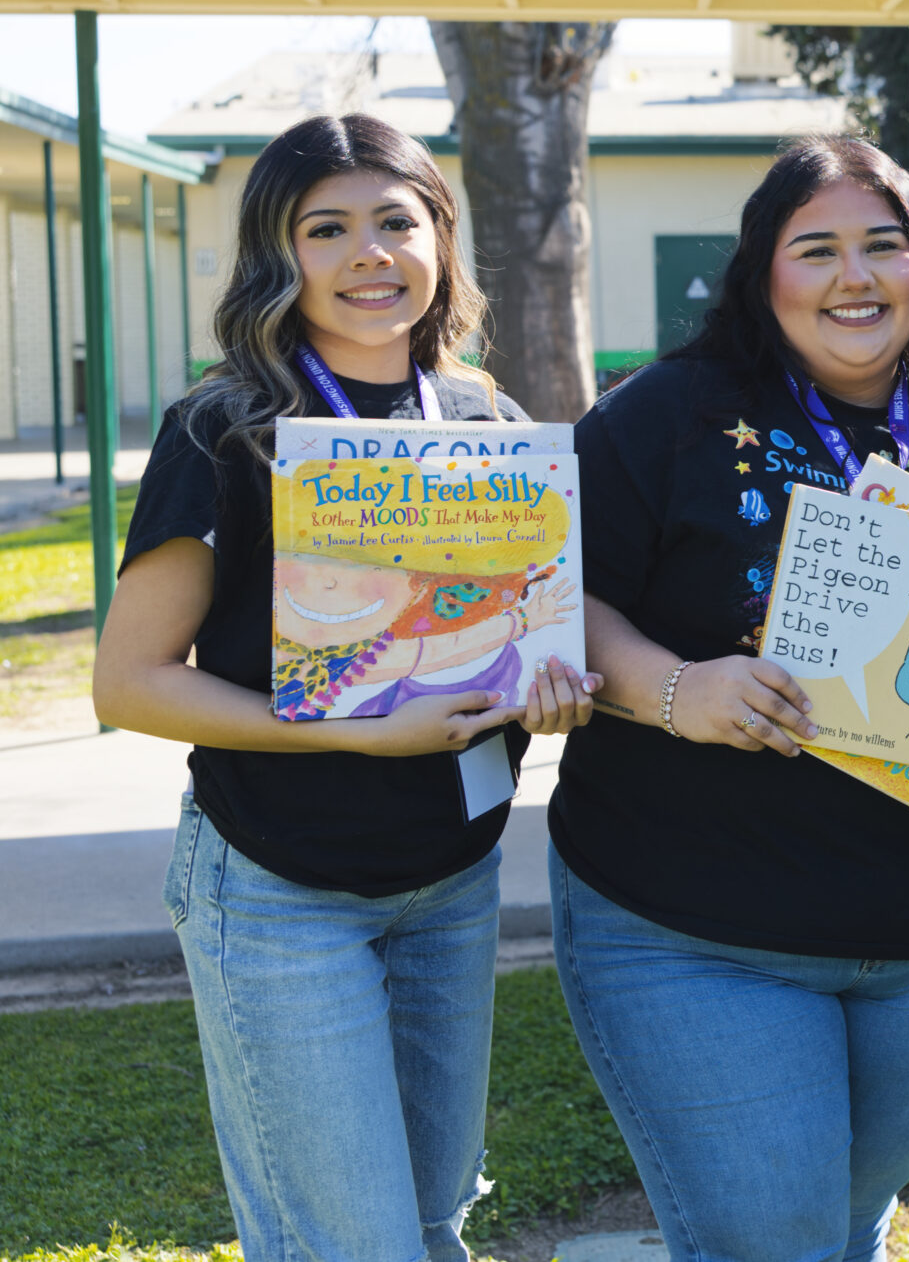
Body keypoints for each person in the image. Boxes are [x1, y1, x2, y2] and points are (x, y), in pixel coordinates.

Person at [546, 135, 909, 1262]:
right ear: (764, 275)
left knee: (846, 1227)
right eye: (817, 249)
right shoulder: (662, 416)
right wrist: (675, 691)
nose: (854, 277)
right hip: (693, 925)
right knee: (779, 1239)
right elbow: (562, 601)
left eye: (882, 246)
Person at [93, 114, 594, 1262]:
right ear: (281, 255)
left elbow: (518, 634)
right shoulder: (226, 425)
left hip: (451, 880)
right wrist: (350, 738)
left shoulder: (489, 426)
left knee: (429, 1222)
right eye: (328, 228)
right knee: (349, 1245)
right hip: (278, 884)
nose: (369, 253)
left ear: (440, 240)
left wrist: (548, 688)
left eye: (394, 221)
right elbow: (130, 683)